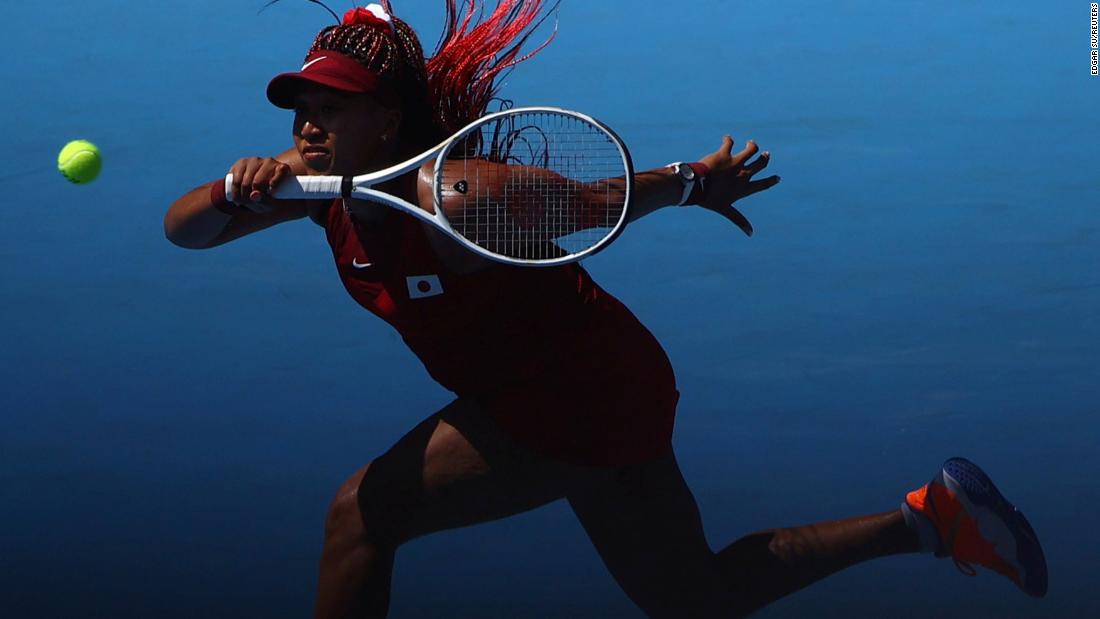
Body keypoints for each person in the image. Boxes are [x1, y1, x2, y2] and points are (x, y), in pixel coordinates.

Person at [163, 2, 1048, 616]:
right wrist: (237, 191)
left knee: (361, 514)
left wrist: (696, 181)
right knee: (689, 598)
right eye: (301, 112)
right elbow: (184, 233)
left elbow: (598, 204)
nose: (308, 129)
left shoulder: (458, 195)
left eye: (332, 110)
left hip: (576, 397)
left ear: (388, 125)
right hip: (591, 387)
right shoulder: (315, 189)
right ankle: (935, 516)